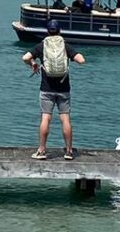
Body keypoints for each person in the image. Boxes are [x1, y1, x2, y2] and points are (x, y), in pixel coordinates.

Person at [23, 19, 87, 160]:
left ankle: (41, 151)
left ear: (47, 31)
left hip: (46, 89)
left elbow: (25, 57)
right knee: (65, 119)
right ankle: (69, 151)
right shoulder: (65, 45)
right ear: (59, 31)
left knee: (46, 118)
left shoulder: (42, 46)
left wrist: (33, 63)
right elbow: (81, 60)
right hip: (64, 88)